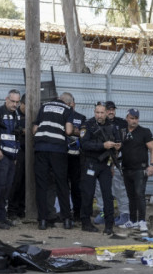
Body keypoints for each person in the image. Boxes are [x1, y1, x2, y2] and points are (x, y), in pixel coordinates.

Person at [80, 102, 124, 238]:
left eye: (101, 112)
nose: (99, 115)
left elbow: (118, 141)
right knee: (88, 193)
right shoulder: (88, 125)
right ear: (94, 112)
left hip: (105, 164)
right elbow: (84, 144)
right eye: (97, 112)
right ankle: (86, 222)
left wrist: (117, 146)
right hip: (91, 163)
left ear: (106, 113)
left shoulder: (112, 126)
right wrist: (102, 145)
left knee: (107, 194)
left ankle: (109, 225)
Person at [33, 98, 74, 230]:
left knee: (41, 185)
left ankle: (43, 221)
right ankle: (67, 219)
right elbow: (68, 131)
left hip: (41, 148)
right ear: (67, 102)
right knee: (61, 184)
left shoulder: (44, 106)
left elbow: (34, 129)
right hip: (58, 149)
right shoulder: (67, 110)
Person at [0, 89, 22, 230]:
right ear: (6, 99)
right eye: (12, 101)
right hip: (0, 156)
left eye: (17, 102)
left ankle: (2, 217)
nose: (14, 104)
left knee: (7, 188)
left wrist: (15, 156)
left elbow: (16, 136)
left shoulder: (16, 114)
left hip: (11, 156)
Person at [118, 108, 153, 233]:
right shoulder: (122, 132)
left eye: (136, 118)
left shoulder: (144, 132)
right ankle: (132, 221)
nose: (134, 121)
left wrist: (152, 165)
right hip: (126, 169)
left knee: (140, 194)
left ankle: (142, 221)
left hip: (140, 169)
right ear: (127, 118)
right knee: (131, 196)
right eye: (132, 118)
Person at [94, 100, 130, 225]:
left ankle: (124, 213)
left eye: (112, 109)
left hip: (117, 160)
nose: (111, 112)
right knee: (99, 188)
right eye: (108, 109)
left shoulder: (122, 123)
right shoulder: (97, 123)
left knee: (119, 188)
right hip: (101, 160)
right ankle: (103, 211)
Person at [62, 92, 87, 223]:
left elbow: (83, 133)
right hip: (62, 156)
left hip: (77, 157)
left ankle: (78, 213)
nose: (68, 106)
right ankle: (64, 213)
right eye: (66, 104)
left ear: (74, 104)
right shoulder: (60, 116)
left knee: (77, 186)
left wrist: (72, 130)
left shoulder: (81, 117)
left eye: (70, 104)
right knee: (62, 186)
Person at [7, 94, 27, 220]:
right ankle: (12, 210)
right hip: (17, 151)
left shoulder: (33, 114)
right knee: (16, 181)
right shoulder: (15, 115)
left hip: (29, 152)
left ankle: (21, 209)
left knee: (26, 182)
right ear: (22, 103)